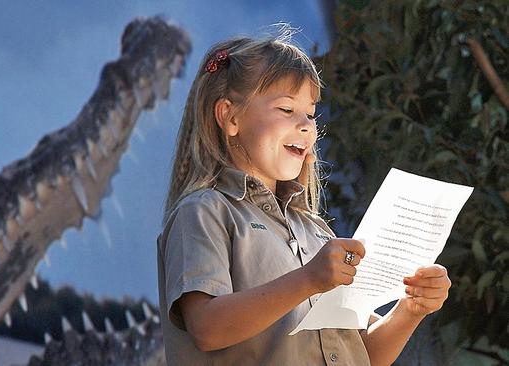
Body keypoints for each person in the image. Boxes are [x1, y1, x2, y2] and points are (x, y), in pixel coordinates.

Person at [156, 31, 452, 365]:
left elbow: (363, 354)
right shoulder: (203, 212)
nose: (306, 126)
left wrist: (410, 309)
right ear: (230, 116)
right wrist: (308, 279)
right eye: (286, 108)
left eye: (310, 114)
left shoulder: (315, 230)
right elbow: (207, 328)